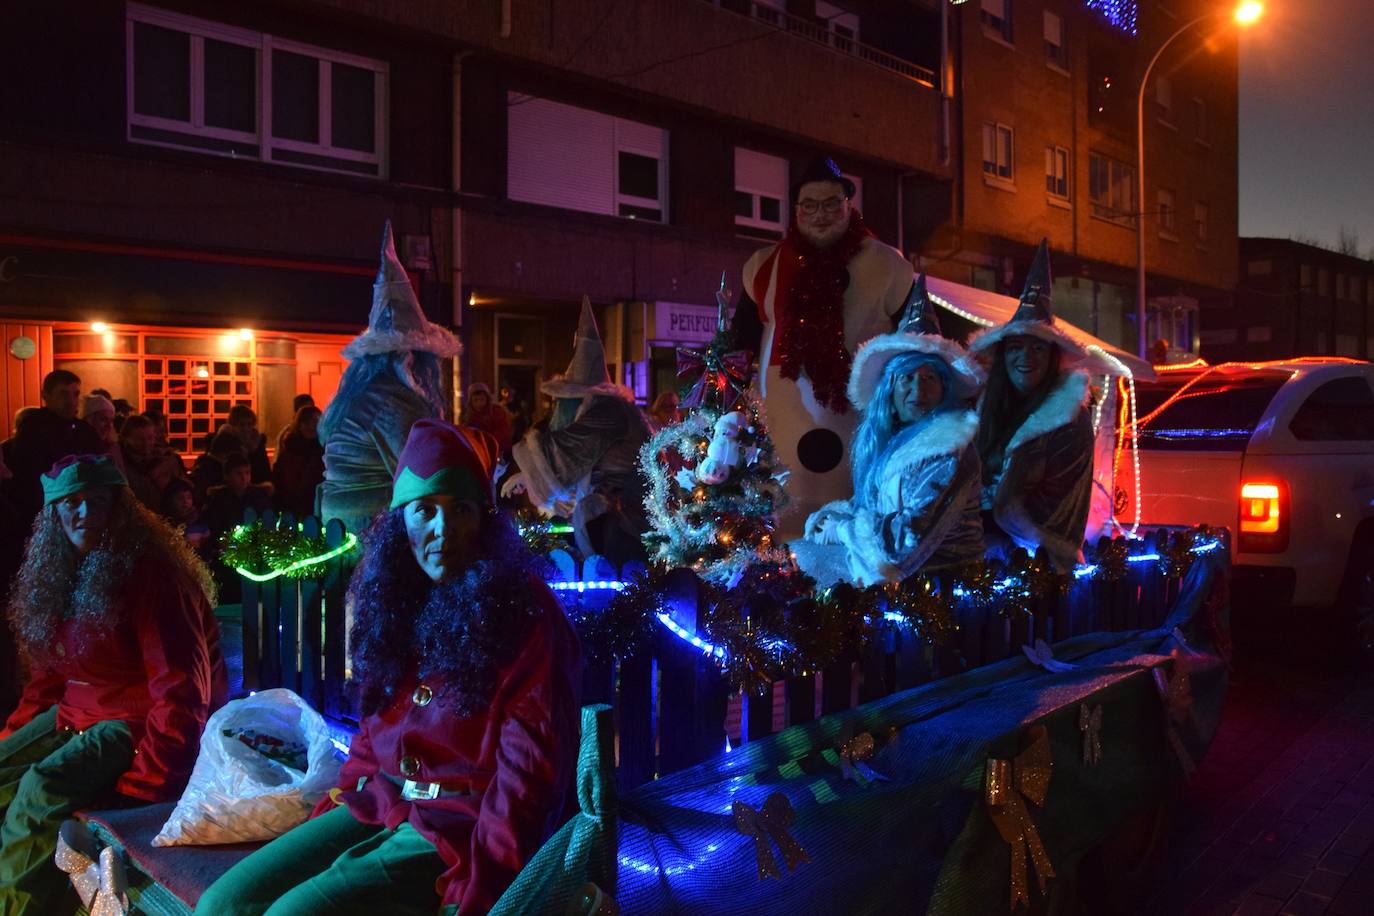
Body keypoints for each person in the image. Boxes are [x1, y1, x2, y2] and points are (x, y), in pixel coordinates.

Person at [196, 419, 581, 916]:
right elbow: (374, 724)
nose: (442, 530)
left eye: (460, 510)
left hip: (458, 826)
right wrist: (344, 796)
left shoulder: (526, 616)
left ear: (484, 521)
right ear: (403, 522)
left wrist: (484, 888)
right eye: (425, 510)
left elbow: (529, 777)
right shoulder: (397, 595)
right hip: (383, 801)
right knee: (223, 903)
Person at [0, 455, 225, 915]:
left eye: (97, 502)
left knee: (38, 793)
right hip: (76, 712)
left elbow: (181, 686)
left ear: (120, 508)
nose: (84, 514)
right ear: (54, 514)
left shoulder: (154, 577)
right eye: (72, 504)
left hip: (135, 719)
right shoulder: (58, 574)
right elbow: (47, 676)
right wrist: (16, 739)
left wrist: (151, 779)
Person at [731, 156, 914, 538]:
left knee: (852, 521)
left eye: (831, 203)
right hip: (781, 417)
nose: (820, 215)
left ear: (849, 204)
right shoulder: (764, 266)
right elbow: (740, 344)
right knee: (786, 520)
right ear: (796, 210)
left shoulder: (887, 265)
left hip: (859, 418)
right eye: (809, 205)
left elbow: (915, 342)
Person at [792, 275, 986, 587]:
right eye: (907, 377)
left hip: (941, 585)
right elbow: (868, 509)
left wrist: (842, 530)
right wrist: (831, 517)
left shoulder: (949, 450)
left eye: (929, 378)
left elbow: (904, 543)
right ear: (890, 391)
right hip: (904, 578)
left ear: (944, 390)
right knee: (794, 559)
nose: (917, 389)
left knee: (802, 566)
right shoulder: (895, 442)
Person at [319, 221, 459, 536]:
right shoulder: (392, 401)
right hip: (369, 527)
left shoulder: (364, 394)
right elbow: (424, 469)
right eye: (427, 360)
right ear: (409, 358)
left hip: (340, 523)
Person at [971, 240, 1095, 572]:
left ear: (1052, 356)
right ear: (1003, 355)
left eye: (1037, 348)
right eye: (1016, 347)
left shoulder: (1066, 419)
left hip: (1037, 561)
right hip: (991, 550)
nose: (1025, 358)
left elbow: (1026, 505)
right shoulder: (990, 409)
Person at [504, 298, 653, 565]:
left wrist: (525, 473)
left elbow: (561, 453)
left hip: (630, 519)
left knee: (619, 582)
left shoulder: (608, 411)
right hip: (622, 513)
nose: (561, 407)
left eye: (567, 399)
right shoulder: (610, 410)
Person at [0, 369, 103, 521]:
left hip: (82, 510)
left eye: (75, 394)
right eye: (63, 394)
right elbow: (31, 476)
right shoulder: (33, 429)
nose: (71, 400)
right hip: (46, 513)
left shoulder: (85, 431)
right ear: (46, 396)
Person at [120, 413, 186, 510]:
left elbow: (182, 487)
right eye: (140, 439)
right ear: (127, 439)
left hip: (166, 517)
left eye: (150, 438)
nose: (146, 443)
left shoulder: (167, 459)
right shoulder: (120, 463)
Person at [203, 451, 274, 540]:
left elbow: (268, 521)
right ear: (227, 475)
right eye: (238, 473)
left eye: (247, 473)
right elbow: (215, 527)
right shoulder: (219, 499)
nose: (244, 478)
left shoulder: (259, 496)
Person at [273, 405, 325, 518]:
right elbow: (280, 480)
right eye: (307, 422)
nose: (312, 426)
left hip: (318, 505)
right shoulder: (290, 450)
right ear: (299, 425)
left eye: (316, 422)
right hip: (292, 507)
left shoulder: (324, 451)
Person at [459, 382, 513, 457]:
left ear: (487, 400)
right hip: (476, 453)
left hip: (497, 451)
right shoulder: (467, 416)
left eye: (482, 400)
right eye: (475, 400)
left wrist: (487, 443)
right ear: (471, 402)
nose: (479, 403)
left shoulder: (496, 412)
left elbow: (502, 433)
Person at [226, 405, 272, 485]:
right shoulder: (227, 443)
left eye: (249, 424)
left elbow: (265, 471)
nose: (246, 428)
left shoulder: (258, 443)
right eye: (241, 424)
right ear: (233, 425)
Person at [79, 394, 124, 472]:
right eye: (103, 419)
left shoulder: (113, 447)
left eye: (111, 420)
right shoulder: (79, 448)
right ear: (89, 420)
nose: (109, 426)